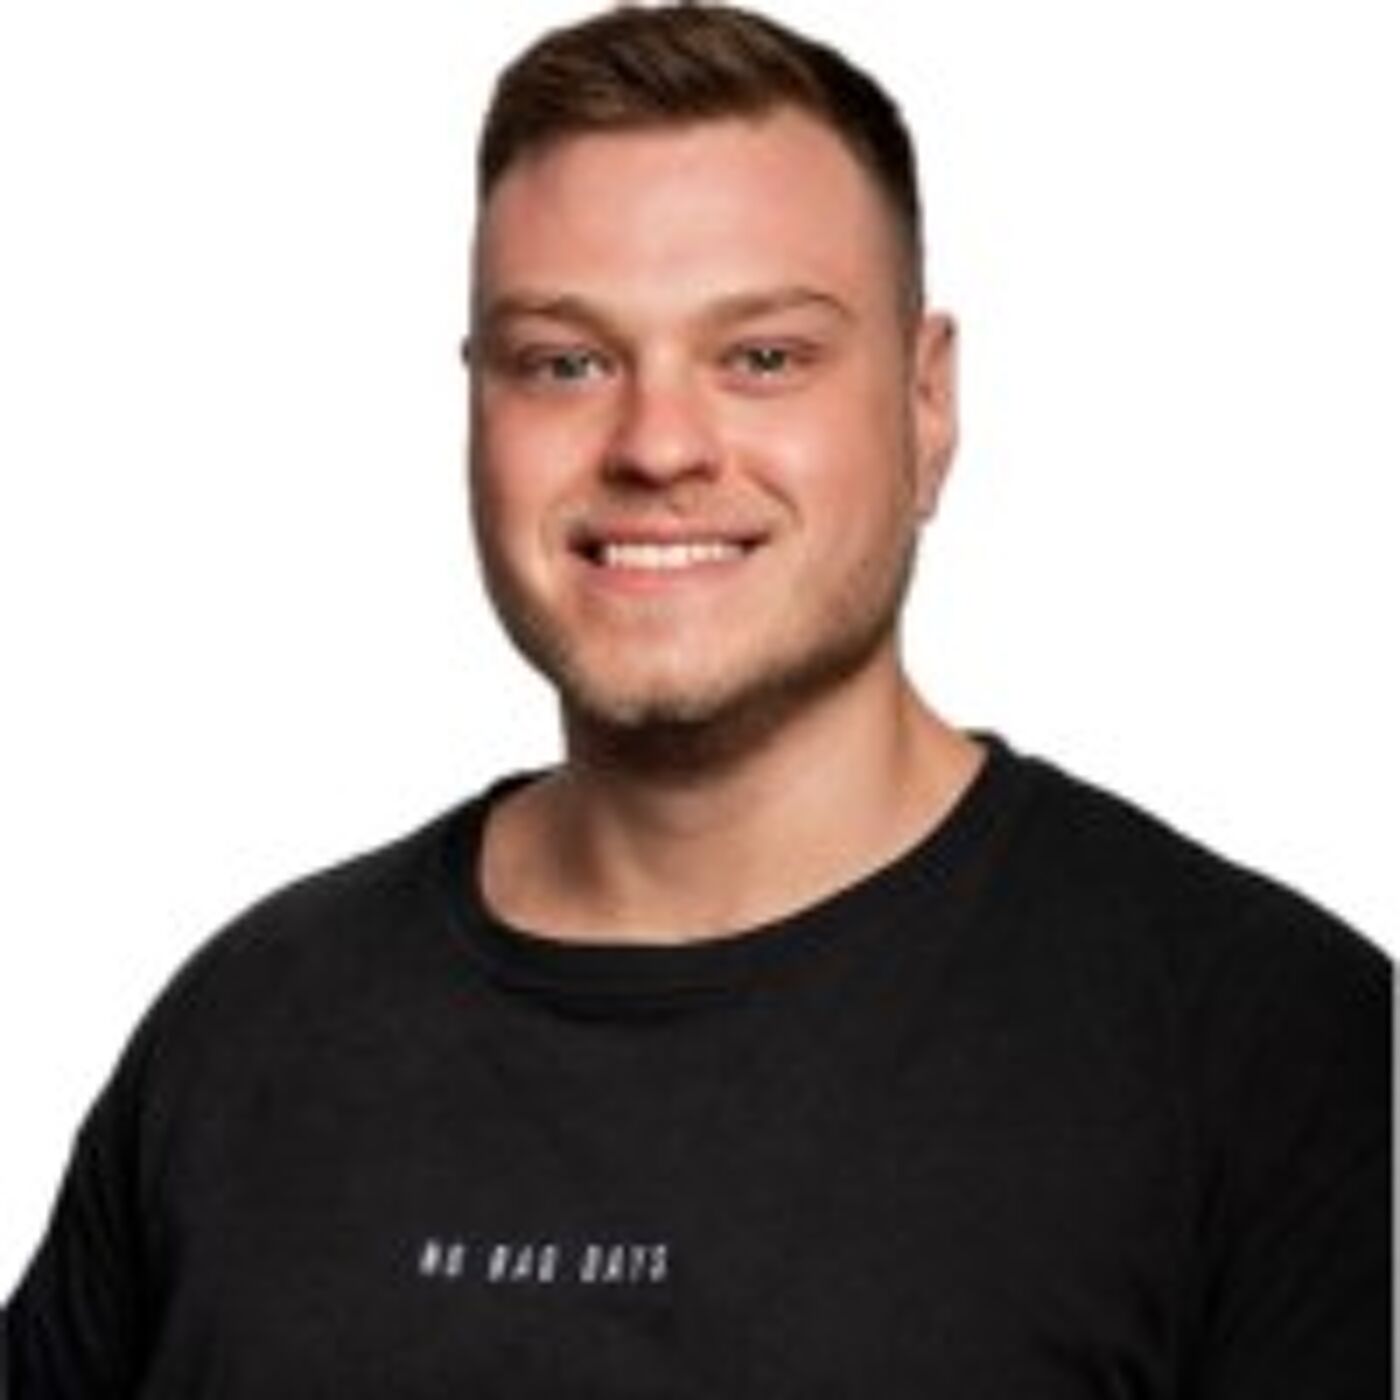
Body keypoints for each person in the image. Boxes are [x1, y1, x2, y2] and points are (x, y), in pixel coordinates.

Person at [4, 3, 1390, 1395]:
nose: (658, 444)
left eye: (764, 356)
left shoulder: (1277, 1058)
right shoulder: (246, 1035)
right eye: (566, 362)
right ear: (476, 406)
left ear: (926, 404)